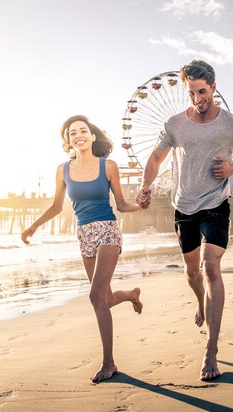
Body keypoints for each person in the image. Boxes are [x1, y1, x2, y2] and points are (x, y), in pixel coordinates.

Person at [136, 60, 233, 381]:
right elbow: (156, 159)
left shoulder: (232, 124)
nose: (197, 98)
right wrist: (146, 186)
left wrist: (232, 168)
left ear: (214, 88)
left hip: (217, 202)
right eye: (192, 92)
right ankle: (200, 303)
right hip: (184, 207)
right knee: (192, 273)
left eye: (202, 91)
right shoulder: (175, 124)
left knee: (210, 267)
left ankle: (211, 349)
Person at [22, 115, 143, 383]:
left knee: (95, 296)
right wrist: (33, 226)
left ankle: (109, 363)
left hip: (108, 231)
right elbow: (56, 206)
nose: (78, 135)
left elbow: (122, 205)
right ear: (68, 140)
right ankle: (132, 294)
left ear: (92, 136)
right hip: (84, 234)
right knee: (106, 299)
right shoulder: (62, 170)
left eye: (83, 130)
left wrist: (140, 205)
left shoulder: (108, 166)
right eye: (72, 132)